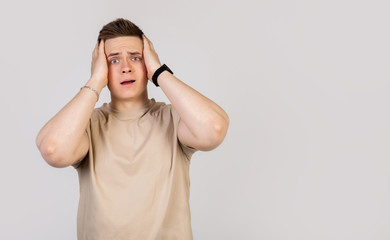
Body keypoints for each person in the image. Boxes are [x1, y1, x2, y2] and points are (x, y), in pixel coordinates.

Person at [36, 18, 229, 239]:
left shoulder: (174, 119)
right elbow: (53, 149)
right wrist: (96, 80)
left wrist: (158, 71)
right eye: (114, 60)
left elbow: (214, 128)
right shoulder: (86, 126)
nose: (126, 68)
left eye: (135, 57)